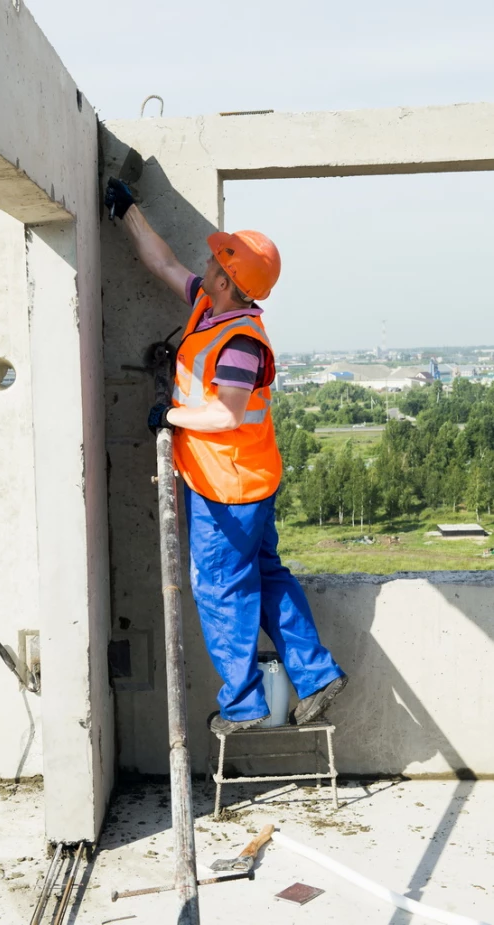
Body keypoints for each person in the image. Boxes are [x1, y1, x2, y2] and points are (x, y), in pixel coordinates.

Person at [105, 178, 347, 735]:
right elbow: (163, 264)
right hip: (246, 479)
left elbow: (227, 415)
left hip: (228, 487)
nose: (208, 265)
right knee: (266, 575)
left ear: (230, 281)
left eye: (219, 263)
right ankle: (315, 674)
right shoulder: (209, 311)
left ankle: (242, 706)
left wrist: (169, 417)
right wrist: (128, 213)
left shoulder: (239, 341)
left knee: (220, 588)